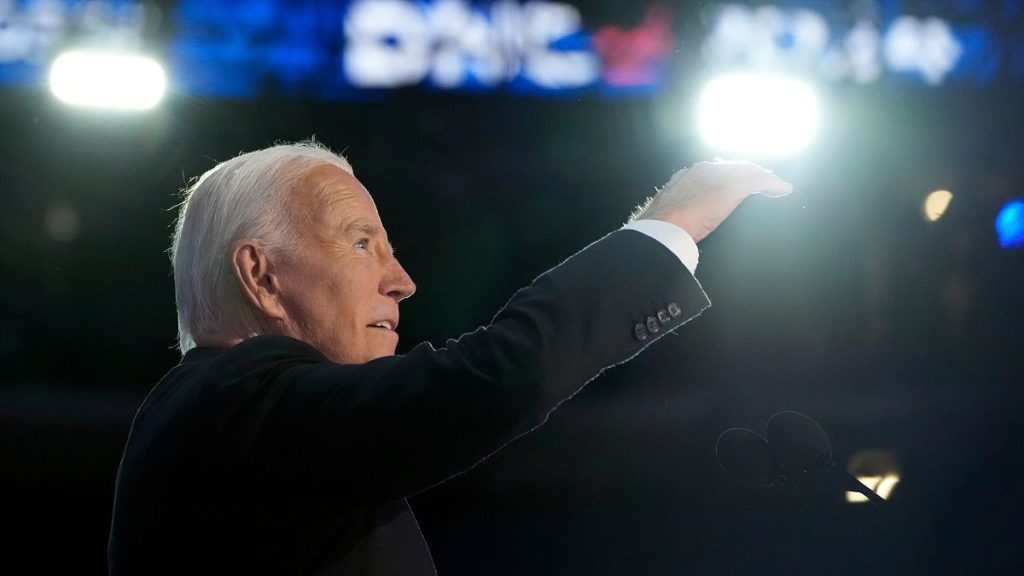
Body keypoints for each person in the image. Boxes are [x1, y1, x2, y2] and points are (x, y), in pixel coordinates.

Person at [108, 141, 791, 575]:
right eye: (360, 243)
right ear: (261, 276)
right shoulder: (229, 403)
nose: (400, 280)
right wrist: (667, 229)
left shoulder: (258, 430)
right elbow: (492, 378)